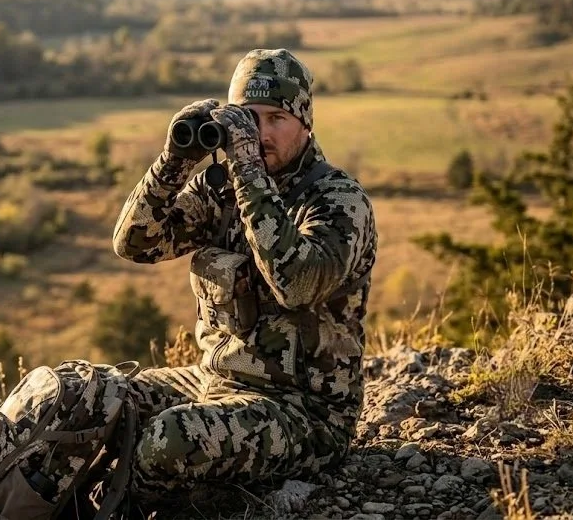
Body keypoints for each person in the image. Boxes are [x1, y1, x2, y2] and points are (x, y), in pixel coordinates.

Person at [109, 48, 377, 510]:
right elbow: (135, 244)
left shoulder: (338, 201)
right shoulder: (220, 189)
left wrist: (248, 170)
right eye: (248, 119)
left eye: (276, 118)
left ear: (305, 121)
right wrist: (173, 161)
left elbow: (296, 283)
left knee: (166, 441)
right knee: (91, 397)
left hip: (304, 412)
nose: (261, 133)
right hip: (212, 381)